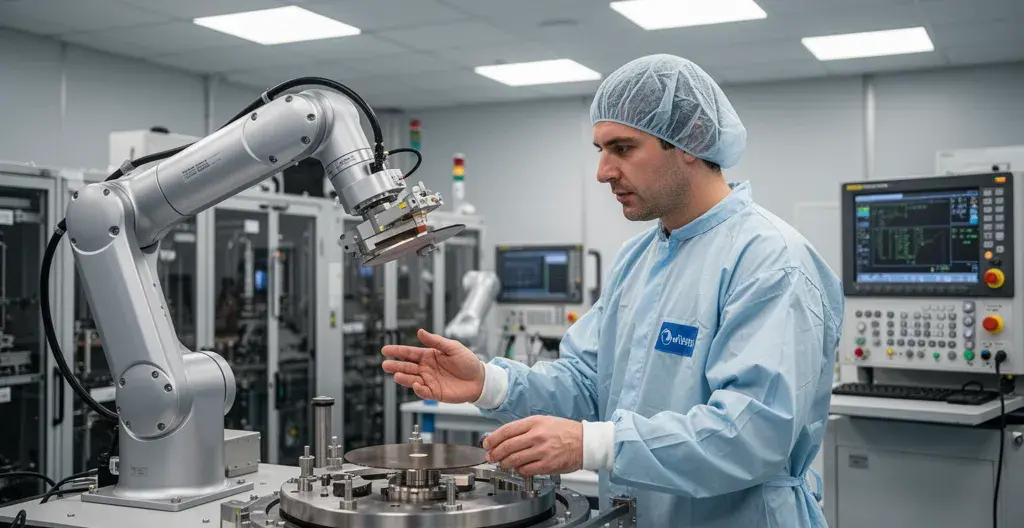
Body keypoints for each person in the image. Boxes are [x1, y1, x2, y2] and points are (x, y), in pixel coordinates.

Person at [381, 54, 843, 527]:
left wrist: (592, 444)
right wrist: (488, 382)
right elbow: (586, 383)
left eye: (623, 149)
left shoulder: (770, 260)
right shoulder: (638, 258)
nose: (603, 172)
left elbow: (751, 435)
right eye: (600, 149)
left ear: (691, 143)